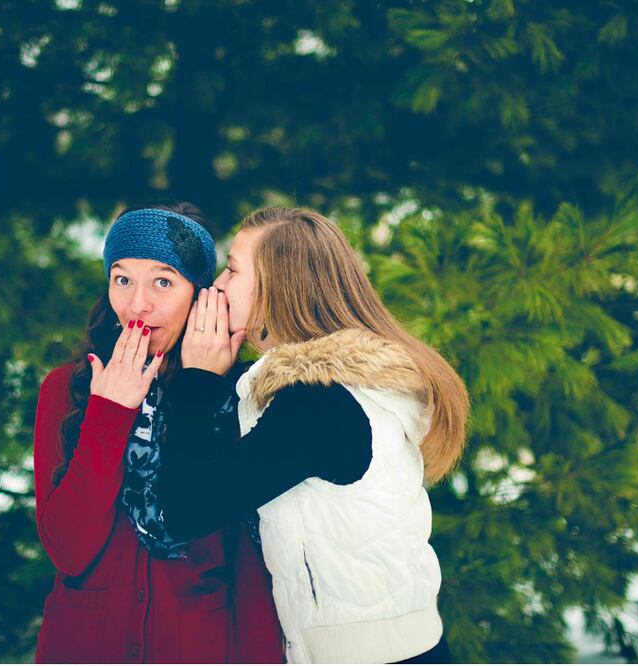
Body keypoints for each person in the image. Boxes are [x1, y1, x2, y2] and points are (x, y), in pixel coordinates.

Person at [147, 207, 470, 663]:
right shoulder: (349, 390)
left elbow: (184, 509)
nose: (217, 284)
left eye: (234, 269)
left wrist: (197, 380)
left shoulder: (318, 405)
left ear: (277, 286)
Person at [31, 203, 282, 663]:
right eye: (122, 279)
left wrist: (201, 390)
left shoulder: (239, 393)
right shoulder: (67, 389)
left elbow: (250, 569)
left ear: (200, 295)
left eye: (163, 281)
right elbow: (68, 550)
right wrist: (108, 414)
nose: (137, 304)